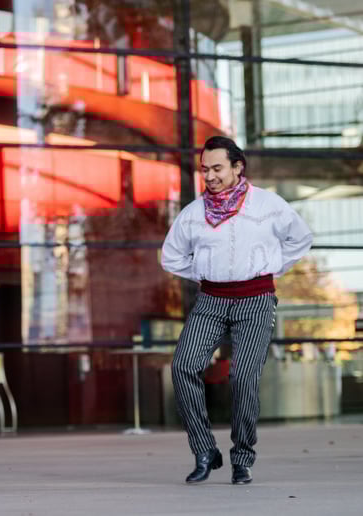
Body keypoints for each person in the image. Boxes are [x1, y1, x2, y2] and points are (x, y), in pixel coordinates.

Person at [161, 136, 312, 485]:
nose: (210, 176)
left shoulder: (268, 205)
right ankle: (204, 450)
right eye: (204, 170)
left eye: (217, 168)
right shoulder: (194, 214)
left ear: (237, 166)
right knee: (184, 365)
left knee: (243, 377)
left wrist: (273, 266)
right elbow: (172, 256)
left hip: (256, 300)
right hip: (211, 300)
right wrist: (203, 271)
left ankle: (242, 458)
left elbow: (300, 238)